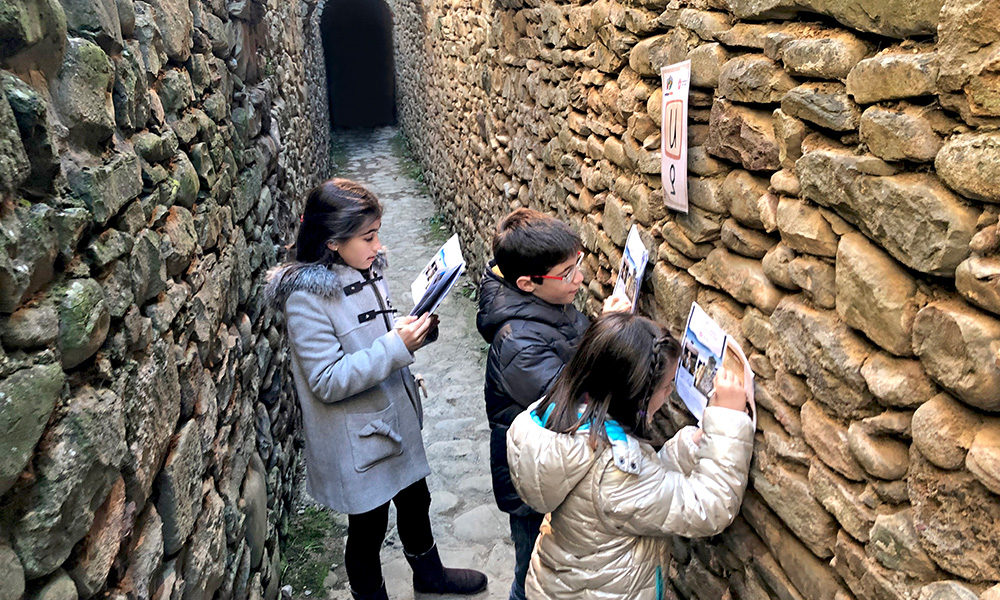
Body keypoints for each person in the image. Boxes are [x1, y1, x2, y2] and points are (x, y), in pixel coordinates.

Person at [265, 179, 487, 600]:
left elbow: (377, 334)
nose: (377, 244)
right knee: (367, 530)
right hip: (358, 437)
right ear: (332, 242)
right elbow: (326, 380)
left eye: (378, 232)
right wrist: (396, 345)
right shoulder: (306, 298)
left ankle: (430, 577)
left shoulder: (368, 268)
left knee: (416, 499)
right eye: (368, 236)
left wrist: (413, 331)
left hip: (394, 415)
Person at [506, 312, 754, 600]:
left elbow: (647, 484)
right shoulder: (614, 471)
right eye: (666, 386)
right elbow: (708, 507)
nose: (671, 392)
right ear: (637, 397)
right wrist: (727, 422)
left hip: (563, 582)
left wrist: (694, 442)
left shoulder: (570, 418)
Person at [476, 208, 629, 600]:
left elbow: (570, 356)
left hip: (553, 468)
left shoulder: (549, 305)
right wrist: (609, 335)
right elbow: (569, 396)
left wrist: (598, 329)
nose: (580, 278)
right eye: (568, 273)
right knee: (531, 571)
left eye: (578, 264)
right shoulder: (516, 343)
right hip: (532, 487)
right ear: (528, 283)